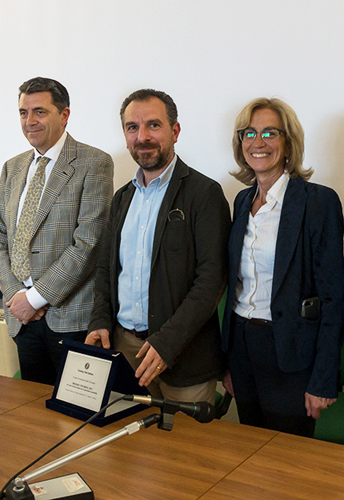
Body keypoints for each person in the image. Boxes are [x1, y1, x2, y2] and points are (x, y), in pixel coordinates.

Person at [86, 89, 230, 404]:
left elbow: (211, 281)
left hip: (183, 355)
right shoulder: (122, 198)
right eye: (132, 128)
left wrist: (168, 343)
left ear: (174, 131)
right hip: (124, 350)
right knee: (130, 449)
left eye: (154, 125)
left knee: (183, 452)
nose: (143, 137)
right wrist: (99, 321)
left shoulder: (204, 194)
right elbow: (105, 270)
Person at [221, 98, 344, 437]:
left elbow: (334, 299)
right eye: (249, 133)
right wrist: (229, 363)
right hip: (244, 350)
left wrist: (323, 379)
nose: (257, 142)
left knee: (287, 463)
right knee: (251, 451)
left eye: (269, 133)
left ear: (288, 142)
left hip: (290, 355)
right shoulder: (242, 201)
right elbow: (238, 287)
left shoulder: (318, 202)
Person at [0, 77, 114, 385]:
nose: (30, 121)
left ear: (64, 115)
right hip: (22, 319)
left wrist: (36, 298)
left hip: (70, 318)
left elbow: (88, 243)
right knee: (30, 415)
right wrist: (16, 296)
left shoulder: (93, 163)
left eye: (40, 112)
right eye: (23, 112)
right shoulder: (12, 167)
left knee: (74, 417)